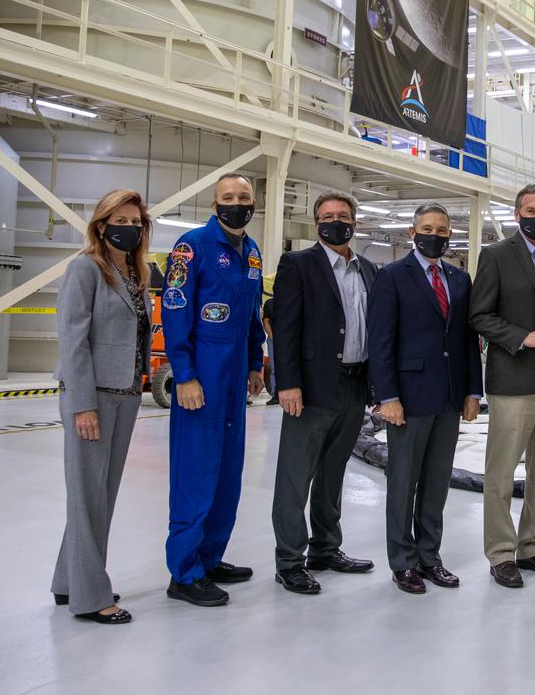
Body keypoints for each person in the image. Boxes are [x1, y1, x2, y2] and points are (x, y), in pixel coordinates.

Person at [161, 173, 266, 607]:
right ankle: (184, 573)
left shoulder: (253, 252)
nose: (236, 203)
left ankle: (210, 557)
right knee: (196, 473)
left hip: (235, 376)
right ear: (214, 201)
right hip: (201, 377)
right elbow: (175, 311)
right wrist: (183, 374)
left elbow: (253, 314)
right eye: (229, 197)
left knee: (228, 472)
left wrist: (257, 363)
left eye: (243, 197)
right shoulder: (192, 247)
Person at [368, 203, 483, 594]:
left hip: (449, 397)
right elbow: (380, 341)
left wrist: (472, 390)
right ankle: (402, 562)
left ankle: (429, 557)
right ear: (413, 232)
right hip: (409, 398)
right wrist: (387, 396)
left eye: (442, 229)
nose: (435, 234)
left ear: (450, 235)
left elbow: (467, 340)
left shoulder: (459, 278)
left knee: (436, 483)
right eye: (427, 228)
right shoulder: (392, 276)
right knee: (403, 482)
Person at [51, 189, 154, 624]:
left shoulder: (135, 274)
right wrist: (82, 405)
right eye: (121, 220)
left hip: (126, 395)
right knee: (88, 496)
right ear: (100, 225)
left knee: (98, 496)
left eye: (136, 223)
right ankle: (91, 597)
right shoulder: (84, 269)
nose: (128, 228)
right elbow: (73, 341)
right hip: (92, 397)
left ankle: (68, 581)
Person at [270, 190, 377, 595]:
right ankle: (289, 560)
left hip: (354, 385)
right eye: (328, 215)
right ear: (317, 223)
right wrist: (288, 383)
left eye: (344, 215)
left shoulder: (368, 270)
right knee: (296, 478)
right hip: (311, 389)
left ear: (355, 221)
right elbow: (285, 328)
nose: (337, 221)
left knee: (333, 474)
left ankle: (326, 548)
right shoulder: (298, 264)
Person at [469, 183, 535, 589]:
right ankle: (500, 553)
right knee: (501, 470)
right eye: (530, 209)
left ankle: (534, 547)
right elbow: (479, 315)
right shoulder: (496, 256)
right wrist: (521, 336)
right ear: (517, 215)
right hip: (514, 378)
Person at [262, 295, 277, 405]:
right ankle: (275, 395)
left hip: (290, 339)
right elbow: (266, 321)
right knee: (274, 368)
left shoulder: (291, 300)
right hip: (273, 339)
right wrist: (273, 337)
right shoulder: (270, 303)